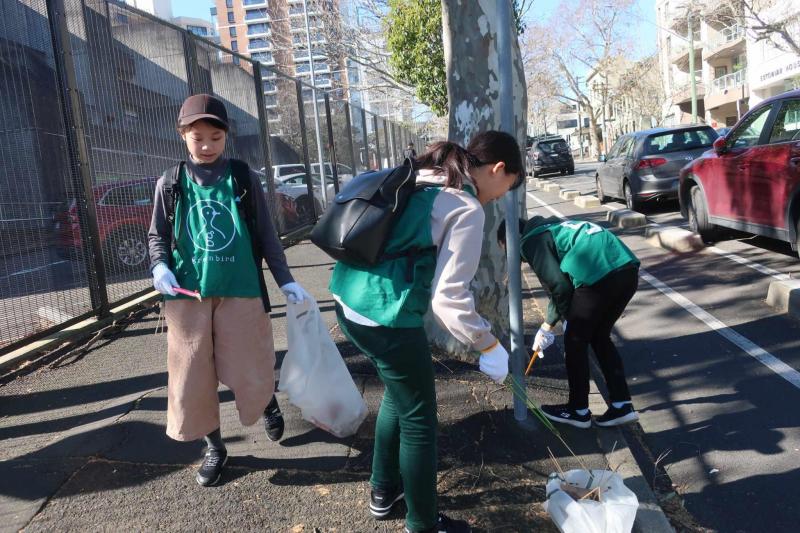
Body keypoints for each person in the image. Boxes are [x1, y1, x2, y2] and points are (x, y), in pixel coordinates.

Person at [330, 131, 524, 533]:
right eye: (508, 187)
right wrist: (489, 345)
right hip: (386, 313)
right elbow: (449, 301)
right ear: (499, 169)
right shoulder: (466, 206)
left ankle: (384, 491)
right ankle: (422, 523)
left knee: (399, 397)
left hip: (347, 298)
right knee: (420, 419)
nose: (502, 196)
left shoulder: (426, 176)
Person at [148, 93, 311, 486]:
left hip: (241, 289)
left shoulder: (242, 178)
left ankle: (265, 399)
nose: (206, 146)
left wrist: (285, 278)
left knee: (250, 363)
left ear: (226, 138)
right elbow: (157, 236)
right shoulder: (170, 183)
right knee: (193, 376)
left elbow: (267, 236)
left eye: (215, 138)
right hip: (188, 298)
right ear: (182, 135)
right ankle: (215, 447)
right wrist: (159, 267)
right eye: (197, 137)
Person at [498, 216, 640, 429]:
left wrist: (563, 323)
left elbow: (560, 287)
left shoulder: (530, 241)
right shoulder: (553, 226)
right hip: (626, 269)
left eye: (507, 250)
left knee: (575, 341)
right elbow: (561, 288)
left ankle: (578, 410)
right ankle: (622, 404)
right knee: (599, 337)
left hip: (597, 276)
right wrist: (549, 324)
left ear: (512, 239)